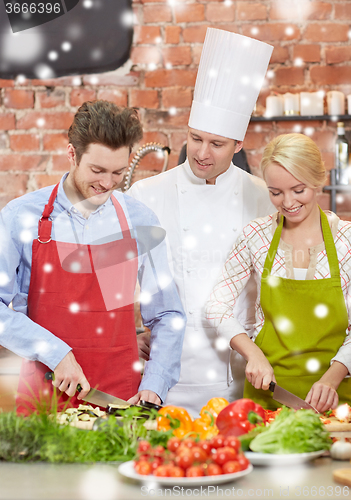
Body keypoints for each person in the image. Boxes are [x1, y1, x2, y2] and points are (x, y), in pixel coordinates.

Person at [0, 100, 186, 414]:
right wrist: (55, 353)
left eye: (117, 172)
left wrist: (155, 383)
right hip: (43, 402)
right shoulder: (22, 217)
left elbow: (168, 314)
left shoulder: (140, 221)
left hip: (119, 402)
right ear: (72, 153)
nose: (107, 184)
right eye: (97, 170)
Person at [128, 28, 274, 416]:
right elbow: (120, 278)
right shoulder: (147, 195)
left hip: (237, 367)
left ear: (238, 145)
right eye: (195, 139)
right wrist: (134, 330)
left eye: (217, 144)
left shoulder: (263, 196)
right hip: (167, 370)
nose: (201, 153)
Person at [206, 133, 351, 414]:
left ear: (318, 180)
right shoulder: (255, 236)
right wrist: (253, 354)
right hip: (269, 396)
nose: (287, 202)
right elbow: (216, 306)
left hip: (338, 400)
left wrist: (331, 378)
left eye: (298, 190)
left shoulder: (347, 240)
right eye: (276, 192)